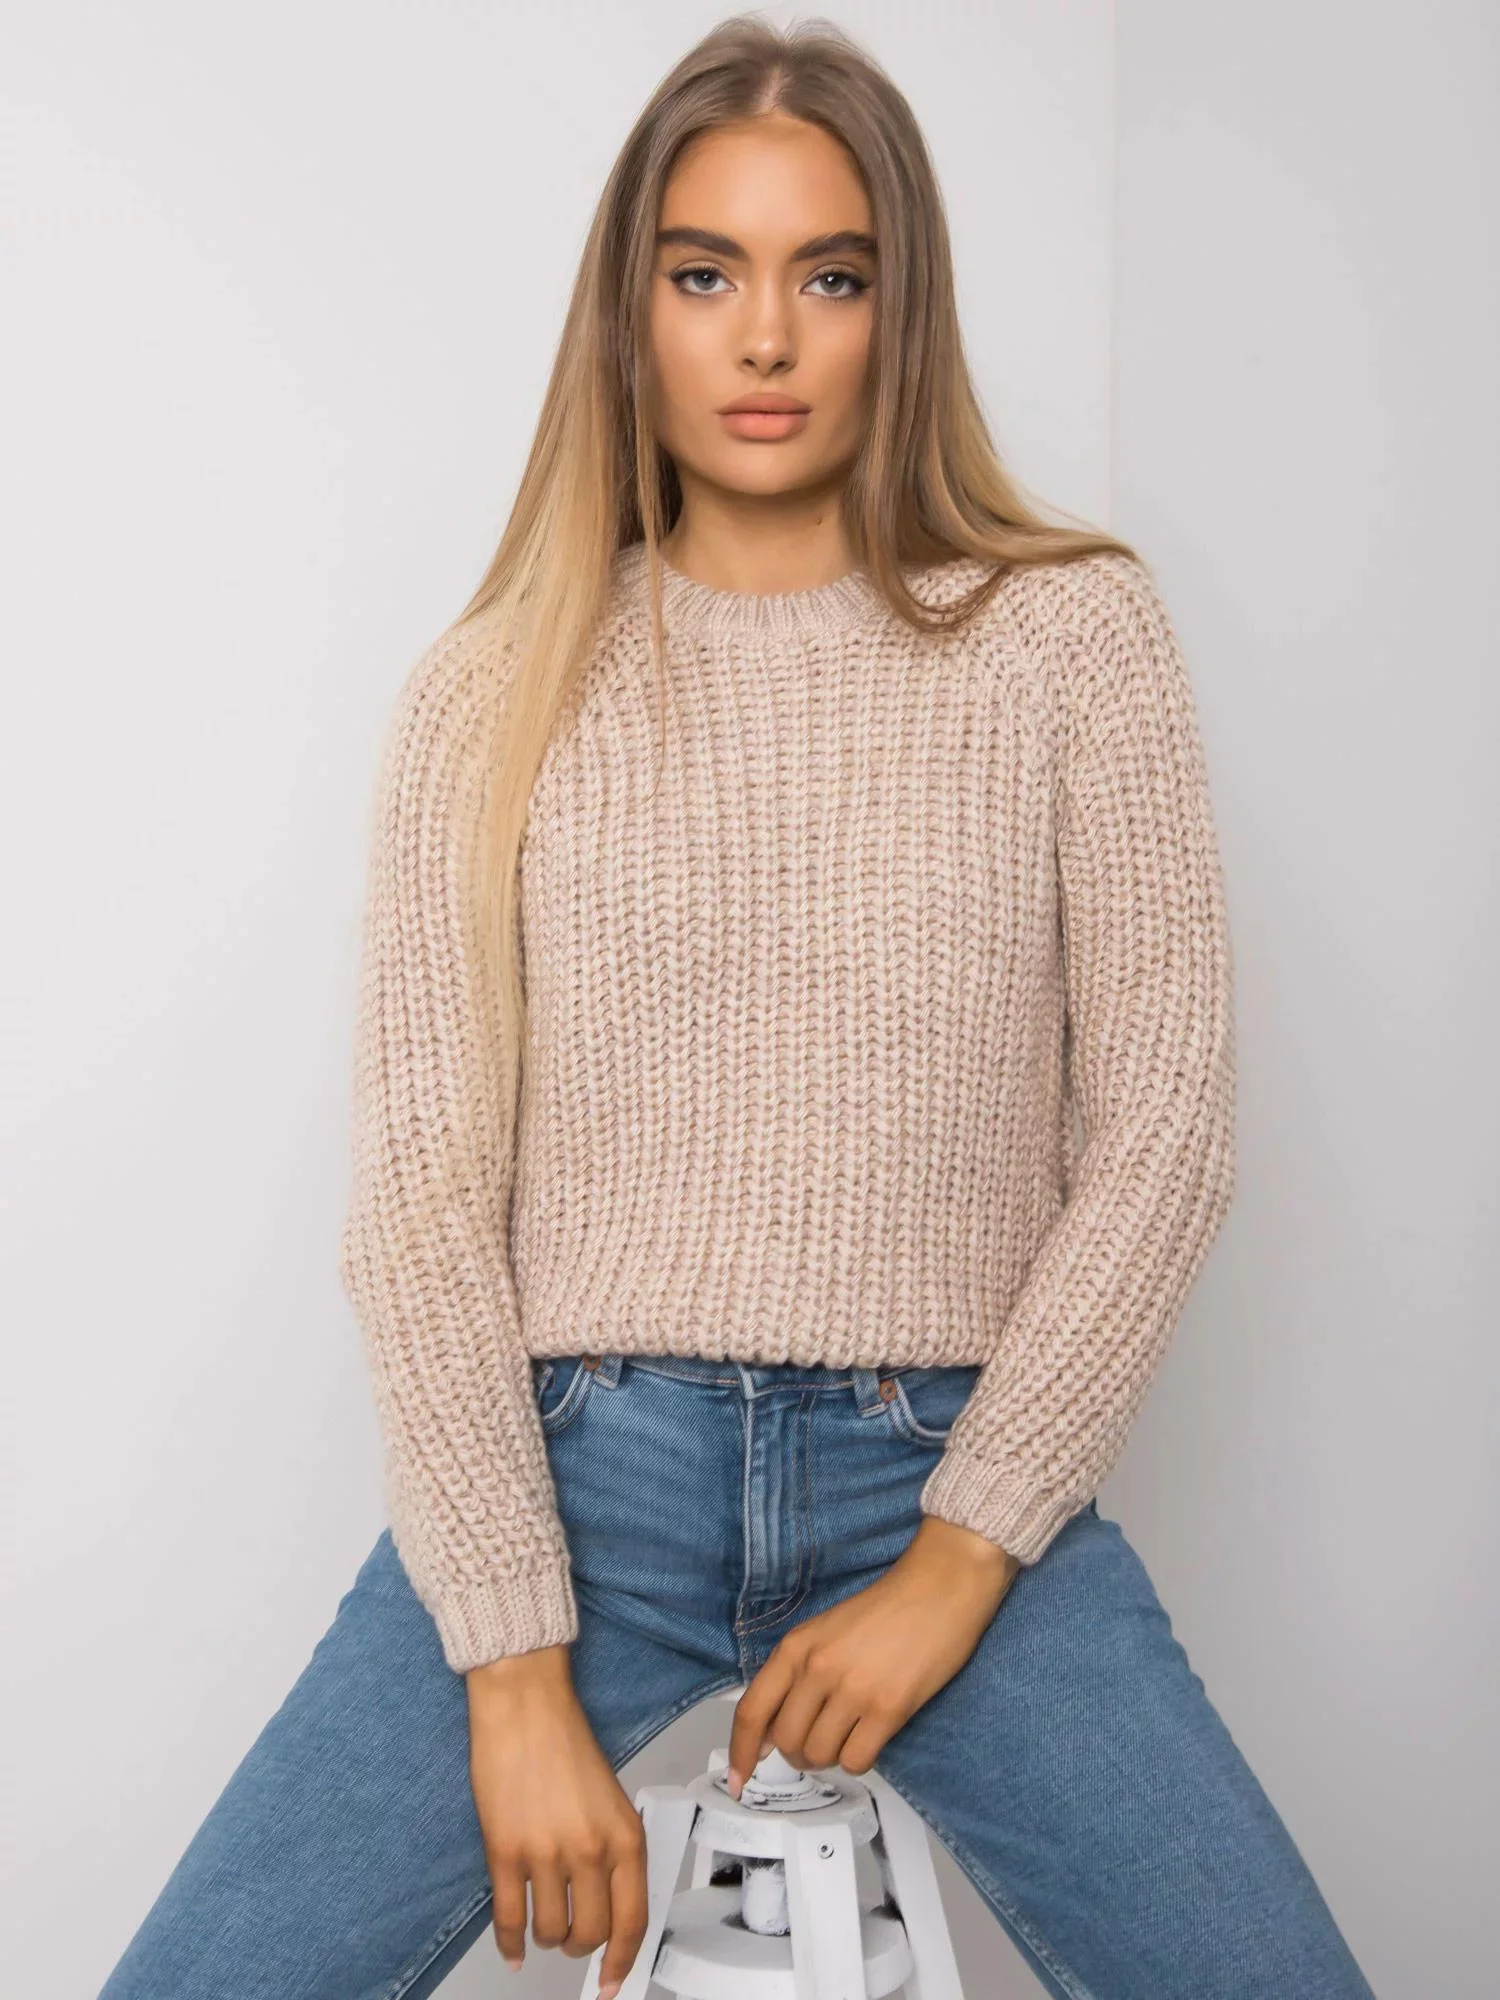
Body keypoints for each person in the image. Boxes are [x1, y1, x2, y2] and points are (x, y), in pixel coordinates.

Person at [99, 17, 1376, 2000]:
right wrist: (510, 1667)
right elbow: (422, 1206)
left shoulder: (1069, 641)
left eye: (829, 275)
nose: (765, 337)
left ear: (898, 309)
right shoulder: (492, 690)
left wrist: (961, 1558)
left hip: (942, 1470)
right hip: (575, 1484)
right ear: (633, 311)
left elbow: (1163, 1142)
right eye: (705, 274)